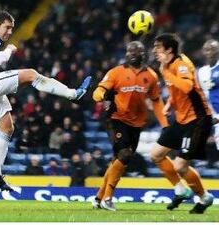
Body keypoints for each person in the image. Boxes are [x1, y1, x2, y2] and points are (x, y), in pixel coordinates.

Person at [0, 11, 92, 191]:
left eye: (12, 28)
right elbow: (0, 58)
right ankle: (73, 94)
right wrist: (9, 49)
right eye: (6, 28)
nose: (9, 32)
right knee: (31, 75)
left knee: (7, 128)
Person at [92, 41, 169, 211]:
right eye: (129, 51)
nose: (132, 54)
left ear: (144, 54)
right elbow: (98, 91)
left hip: (136, 123)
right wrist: (102, 96)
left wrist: (165, 124)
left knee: (118, 162)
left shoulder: (151, 76)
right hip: (116, 119)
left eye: (136, 51)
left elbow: (156, 101)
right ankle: (108, 199)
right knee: (124, 154)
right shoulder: (116, 72)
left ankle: (98, 198)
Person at [150, 33, 214, 214]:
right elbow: (175, 90)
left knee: (180, 166)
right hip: (181, 119)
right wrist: (169, 104)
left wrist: (166, 73)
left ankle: (204, 197)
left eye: (158, 47)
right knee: (156, 155)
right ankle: (180, 189)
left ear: (169, 49)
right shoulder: (167, 65)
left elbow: (186, 86)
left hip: (198, 120)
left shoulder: (181, 64)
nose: (155, 51)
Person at [197, 39, 219, 150]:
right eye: (207, 50)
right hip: (213, 115)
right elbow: (203, 94)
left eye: (213, 49)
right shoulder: (201, 72)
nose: (210, 52)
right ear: (203, 52)